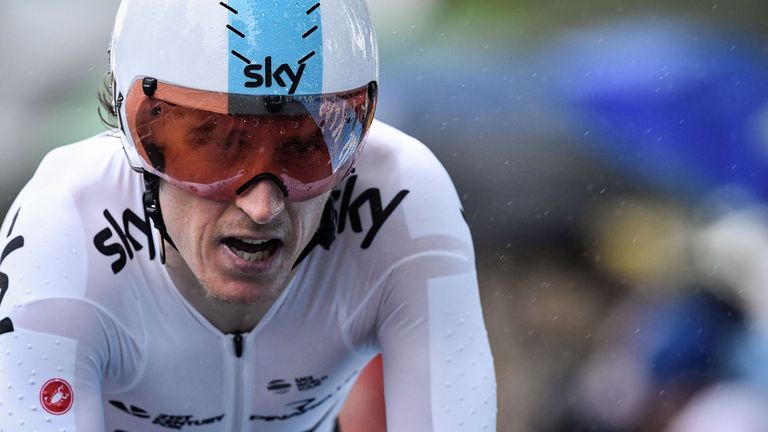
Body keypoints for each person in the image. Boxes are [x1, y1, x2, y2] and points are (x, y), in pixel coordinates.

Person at [0, 0, 497, 430]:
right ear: (137, 142)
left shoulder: (403, 201)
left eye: (305, 148)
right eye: (216, 148)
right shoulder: (64, 227)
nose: (262, 207)